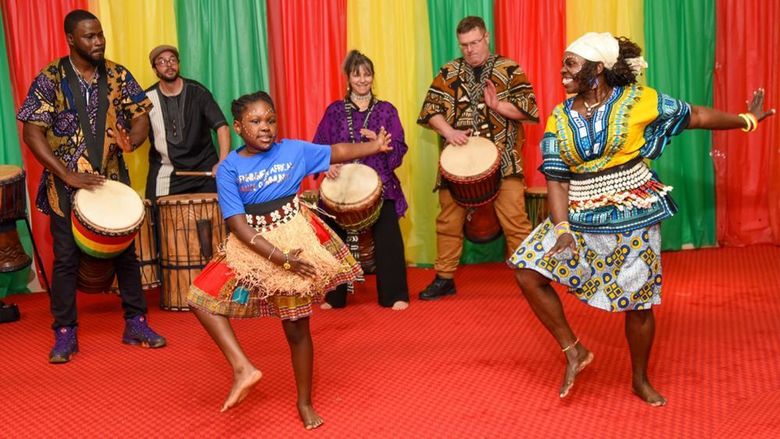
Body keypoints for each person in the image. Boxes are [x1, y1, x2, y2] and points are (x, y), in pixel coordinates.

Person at [508, 32, 775, 406]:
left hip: (634, 208)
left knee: (639, 302)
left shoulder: (639, 101)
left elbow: (694, 115)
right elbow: (556, 176)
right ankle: (574, 351)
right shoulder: (560, 116)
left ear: (597, 69)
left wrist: (746, 120)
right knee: (527, 269)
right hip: (580, 213)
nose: (563, 71)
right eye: (564, 63)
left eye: (571, 63)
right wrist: (562, 227)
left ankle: (640, 378)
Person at [186, 91, 392, 429]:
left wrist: (373, 147)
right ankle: (242, 368)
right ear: (238, 127)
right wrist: (280, 259)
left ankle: (304, 401)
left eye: (270, 120)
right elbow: (236, 224)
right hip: (253, 243)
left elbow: (336, 151)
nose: (265, 127)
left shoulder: (293, 150)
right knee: (200, 298)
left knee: (296, 327)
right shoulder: (230, 168)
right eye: (255, 122)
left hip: (294, 236)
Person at [17, 9, 166, 364]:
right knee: (66, 259)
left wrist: (134, 140)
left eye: (100, 35)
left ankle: (136, 322)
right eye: (89, 36)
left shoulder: (116, 74)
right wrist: (66, 175)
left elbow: (141, 115)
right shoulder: (51, 78)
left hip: (111, 182)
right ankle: (65, 331)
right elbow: (32, 131)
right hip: (65, 186)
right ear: (71, 39)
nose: (98, 41)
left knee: (126, 257)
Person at [417, 16, 538, 300]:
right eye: (464, 45)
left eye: (474, 43)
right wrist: (447, 132)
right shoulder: (448, 72)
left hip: (504, 158)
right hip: (457, 162)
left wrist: (499, 105)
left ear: (486, 38)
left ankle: (531, 275)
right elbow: (430, 109)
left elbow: (530, 110)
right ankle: (445, 277)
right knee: (447, 221)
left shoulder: (509, 69)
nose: (469, 50)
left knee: (516, 220)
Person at [313, 50, 410, 311]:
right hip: (341, 186)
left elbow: (400, 146)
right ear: (348, 79)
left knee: (388, 234)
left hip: (378, 183)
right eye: (357, 75)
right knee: (334, 238)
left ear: (373, 77)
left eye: (367, 74)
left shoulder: (387, 111)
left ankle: (394, 294)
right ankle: (334, 296)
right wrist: (328, 163)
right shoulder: (334, 111)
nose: (363, 79)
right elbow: (319, 146)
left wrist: (383, 145)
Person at [145, 45, 231, 201]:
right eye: (162, 62)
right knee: (154, 214)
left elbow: (222, 127)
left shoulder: (198, 91)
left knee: (216, 216)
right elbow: (137, 133)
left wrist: (222, 162)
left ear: (178, 63)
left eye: (172, 60)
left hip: (204, 171)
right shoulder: (147, 99)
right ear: (155, 69)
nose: (169, 64)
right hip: (167, 173)